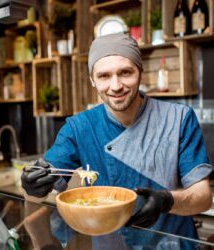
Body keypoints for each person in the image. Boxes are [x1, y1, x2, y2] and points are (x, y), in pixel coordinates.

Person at [21, 33, 213, 248]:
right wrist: (33, 185)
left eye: (125, 72)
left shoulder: (178, 119)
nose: (116, 86)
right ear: (93, 80)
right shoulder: (80, 128)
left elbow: (204, 197)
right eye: (104, 76)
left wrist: (167, 201)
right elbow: (44, 186)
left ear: (140, 71)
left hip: (174, 243)